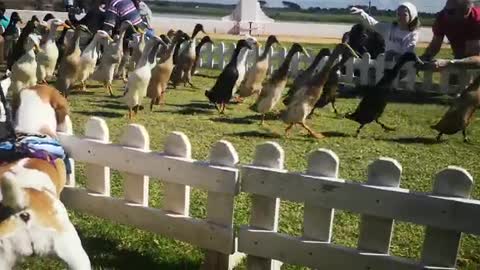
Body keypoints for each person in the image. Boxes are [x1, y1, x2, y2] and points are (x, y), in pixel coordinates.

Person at [350, 2, 420, 58]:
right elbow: (374, 24)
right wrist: (362, 14)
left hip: (401, 68)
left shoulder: (412, 34)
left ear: (412, 16)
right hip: (384, 65)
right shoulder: (390, 28)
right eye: (398, 14)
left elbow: (408, 51)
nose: (400, 17)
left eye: (404, 15)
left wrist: (395, 55)